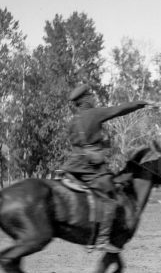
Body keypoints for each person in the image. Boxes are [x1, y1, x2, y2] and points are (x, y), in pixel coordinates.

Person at [63, 84, 149, 253]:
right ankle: (101, 240)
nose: (93, 98)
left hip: (72, 167)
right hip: (89, 168)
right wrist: (141, 103)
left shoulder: (73, 121)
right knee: (110, 199)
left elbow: (77, 144)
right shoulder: (94, 114)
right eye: (91, 96)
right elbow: (119, 109)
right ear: (86, 99)